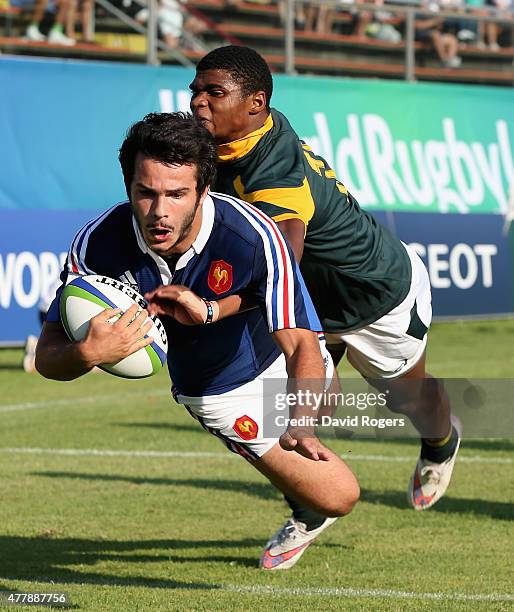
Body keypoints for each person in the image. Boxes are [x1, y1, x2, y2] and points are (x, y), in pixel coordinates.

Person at [35, 112, 360, 571]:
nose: (160, 211)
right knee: (338, 496)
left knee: (318, 401)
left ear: (204, 191)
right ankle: (307, 508)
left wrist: (301, 421)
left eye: (176, 194)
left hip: (272, 349)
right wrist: (85, 353)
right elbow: (49, 358)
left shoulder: (252, 235)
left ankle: (326, 375)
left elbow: (299, 346)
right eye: (145, 194)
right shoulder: (97, 244)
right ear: (128, 186)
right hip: (214, 387)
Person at [187, 45, 462, 517]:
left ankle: (441, 441)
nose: (198, 102)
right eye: (196, 91)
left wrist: (213, 308)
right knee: (288, 408)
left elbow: (282, 262)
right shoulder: (237, 133)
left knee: (409, 400)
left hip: (373, 295)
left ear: (255, 103)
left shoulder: (273, 172)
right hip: (312, 301)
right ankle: (311, 503)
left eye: (214, 93)